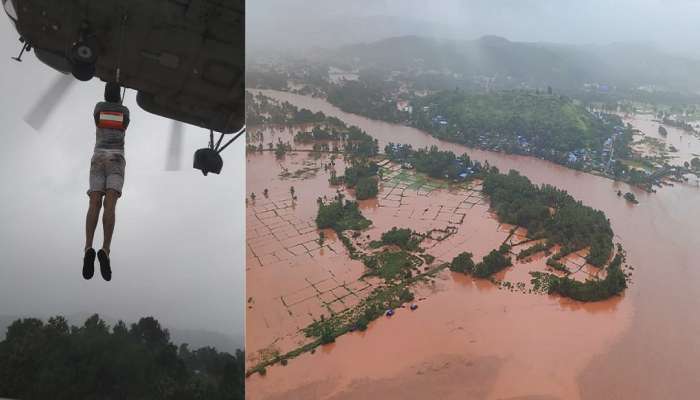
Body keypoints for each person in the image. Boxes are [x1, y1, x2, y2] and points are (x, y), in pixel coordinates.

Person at [82, 82, 130, 281]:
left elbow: (96, 122)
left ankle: (88, 248)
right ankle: (105, 250)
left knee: (94, 203)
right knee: (110, 205)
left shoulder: (99, 108)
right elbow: (124, 125)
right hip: (116, 160)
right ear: (119, 95)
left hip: (98, 158)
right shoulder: (125, 111)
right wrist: (120, 104)